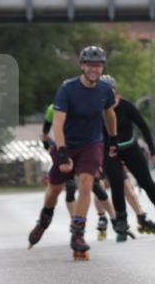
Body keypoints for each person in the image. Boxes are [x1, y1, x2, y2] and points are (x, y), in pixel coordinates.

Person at [26, 45, 118, 260]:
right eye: (90, 65)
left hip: (92, 143)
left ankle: (78, 233)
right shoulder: (67, 89)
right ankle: (44, 219)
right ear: (82, 66)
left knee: (86, 182)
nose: (94, 69)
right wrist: (63, 152)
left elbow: (109, 114)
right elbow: (58, 124)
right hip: (67, 143)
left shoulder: (104, 90)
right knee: (54, 190)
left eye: (98, 65)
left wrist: (113, 139)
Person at [98, 74, 155, 239]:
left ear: (115, 91)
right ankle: (121, 219)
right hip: (110, 151)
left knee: (146, 181)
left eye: (110, 91)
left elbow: (143, 126)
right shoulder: (96, 110)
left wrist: (153, 149)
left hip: (130, 148)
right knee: (116, 183)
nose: (107, 95)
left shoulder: (126, 106)